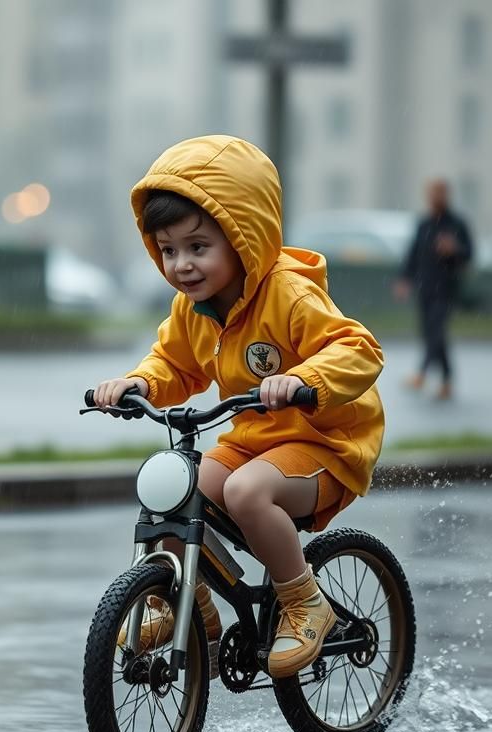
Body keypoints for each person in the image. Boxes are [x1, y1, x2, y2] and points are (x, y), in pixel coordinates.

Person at [92, 136, 385, 679]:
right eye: (168, 250)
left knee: (245, 492)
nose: (182, 264)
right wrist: (136, 385)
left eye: (198, 247)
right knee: (173, 490)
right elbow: (173, 365)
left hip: (326, 442)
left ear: (242, 237)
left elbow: (360, 350)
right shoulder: (193, 310)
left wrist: (302, 379)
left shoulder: (290, 295)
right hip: (255, 441)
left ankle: (305, 603)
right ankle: (187, 601)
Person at [394, 179, 473, 400]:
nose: (435, 197)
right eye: (432, 193)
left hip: (447, 289)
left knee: (436, 331)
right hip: (425, 287)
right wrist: (404, 279)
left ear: (447, 195)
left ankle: (421, 373)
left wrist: (454, 250)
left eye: (440, 193)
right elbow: (413, 254)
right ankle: (447, 380)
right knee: (429, 333)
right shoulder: (424, 224)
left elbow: (469, 254)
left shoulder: (457, 224)